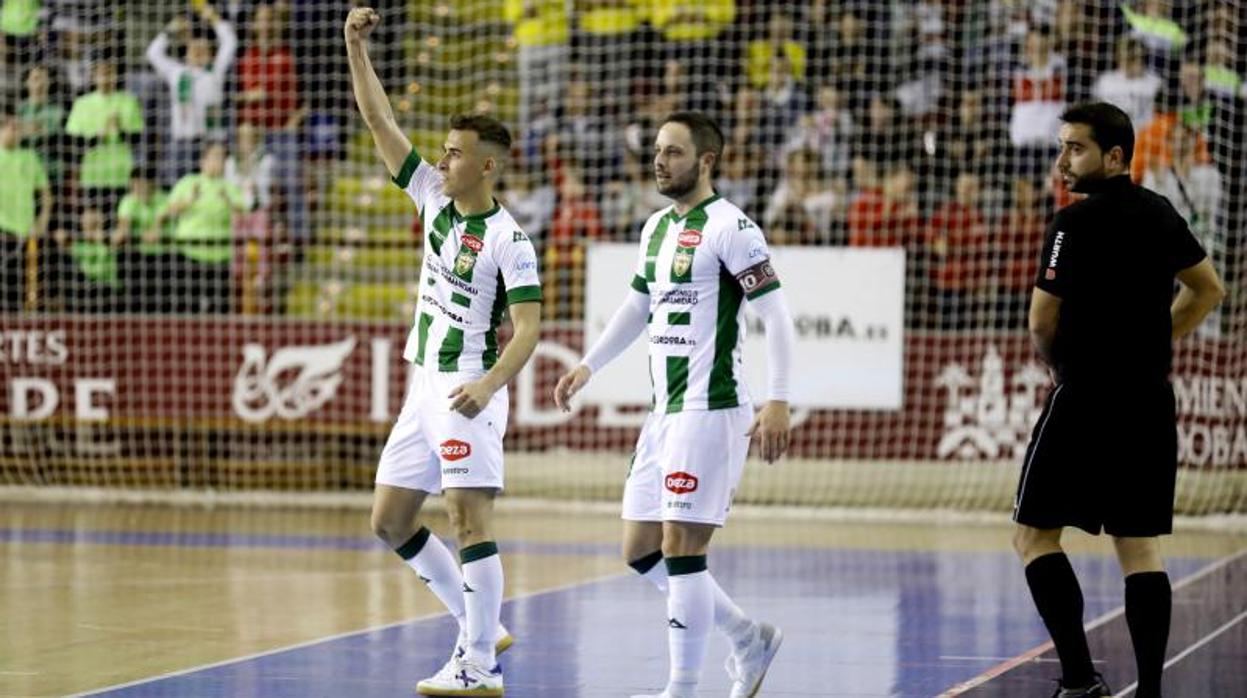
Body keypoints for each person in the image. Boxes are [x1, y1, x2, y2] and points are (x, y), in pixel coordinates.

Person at [553, 111, 795, 698]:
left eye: (674, 152)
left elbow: (776, 317)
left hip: (711, 410)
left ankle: (682, 689)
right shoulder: (656, 228)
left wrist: (779, 400)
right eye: (658, 150)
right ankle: (747, 637)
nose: (660, 160)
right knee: (639, 549)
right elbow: (638, 307)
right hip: (663, 412)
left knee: (683, 546)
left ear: (706, 161)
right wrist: (589, 365)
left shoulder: (733, 228)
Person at [345, 7, 543, 696]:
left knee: (465, 517)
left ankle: (479, 665)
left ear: (485, 166)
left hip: (467, 387)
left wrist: (488, 386)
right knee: (390, 520)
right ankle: (477, 621)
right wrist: (354, 48)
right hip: (422, 381)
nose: (440, 159)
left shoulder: (509, 240)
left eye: (454, 152)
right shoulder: (430, 196)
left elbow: (529, 329)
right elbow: (378, 123)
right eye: (443, 149)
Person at [1012, 102, 1225, 698]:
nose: (1062, 161)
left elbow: (1039, 319)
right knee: (1138, 546)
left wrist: (1061, 367)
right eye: (1061, 147)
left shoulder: (1069, 226)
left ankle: (1080, 684)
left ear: (1114, 156)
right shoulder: (1160, 213)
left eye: (1074, 148)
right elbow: (1209, 290)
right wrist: (1157, 337)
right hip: (1149, 401)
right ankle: (1151, 693)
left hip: (1084, 398)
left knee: (1033, 537)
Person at [151, 142, 252, 314]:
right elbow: (165, 212)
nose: (218, 161)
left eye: (221, 157)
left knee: (220, 309)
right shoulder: (189, 182)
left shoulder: (229, 187)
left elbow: (245, 215)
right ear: (203, 161)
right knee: (187, 307)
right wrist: (189, 200)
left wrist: (228, 200)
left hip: (220, 255)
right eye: (214, 156)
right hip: (189, 254)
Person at [145, 2, 238, 185]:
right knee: (180, 189)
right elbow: (152, 54)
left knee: (212, 188)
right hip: (182, 143)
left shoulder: (215, 71)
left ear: (210, 54)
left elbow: (230, 42)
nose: (197, 52)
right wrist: (170, 29)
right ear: (186, 53)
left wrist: (213, 18)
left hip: (211, 143)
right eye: (193, 49)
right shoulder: (177, 72)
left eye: (202, 50)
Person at [0, 111, 52, 311]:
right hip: (2, 230)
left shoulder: (30, 157)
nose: (16, 132)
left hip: (26, 232)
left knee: (22, 286)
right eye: (12, 128)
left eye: (18, 128)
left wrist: (42, 221)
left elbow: (46, 193)